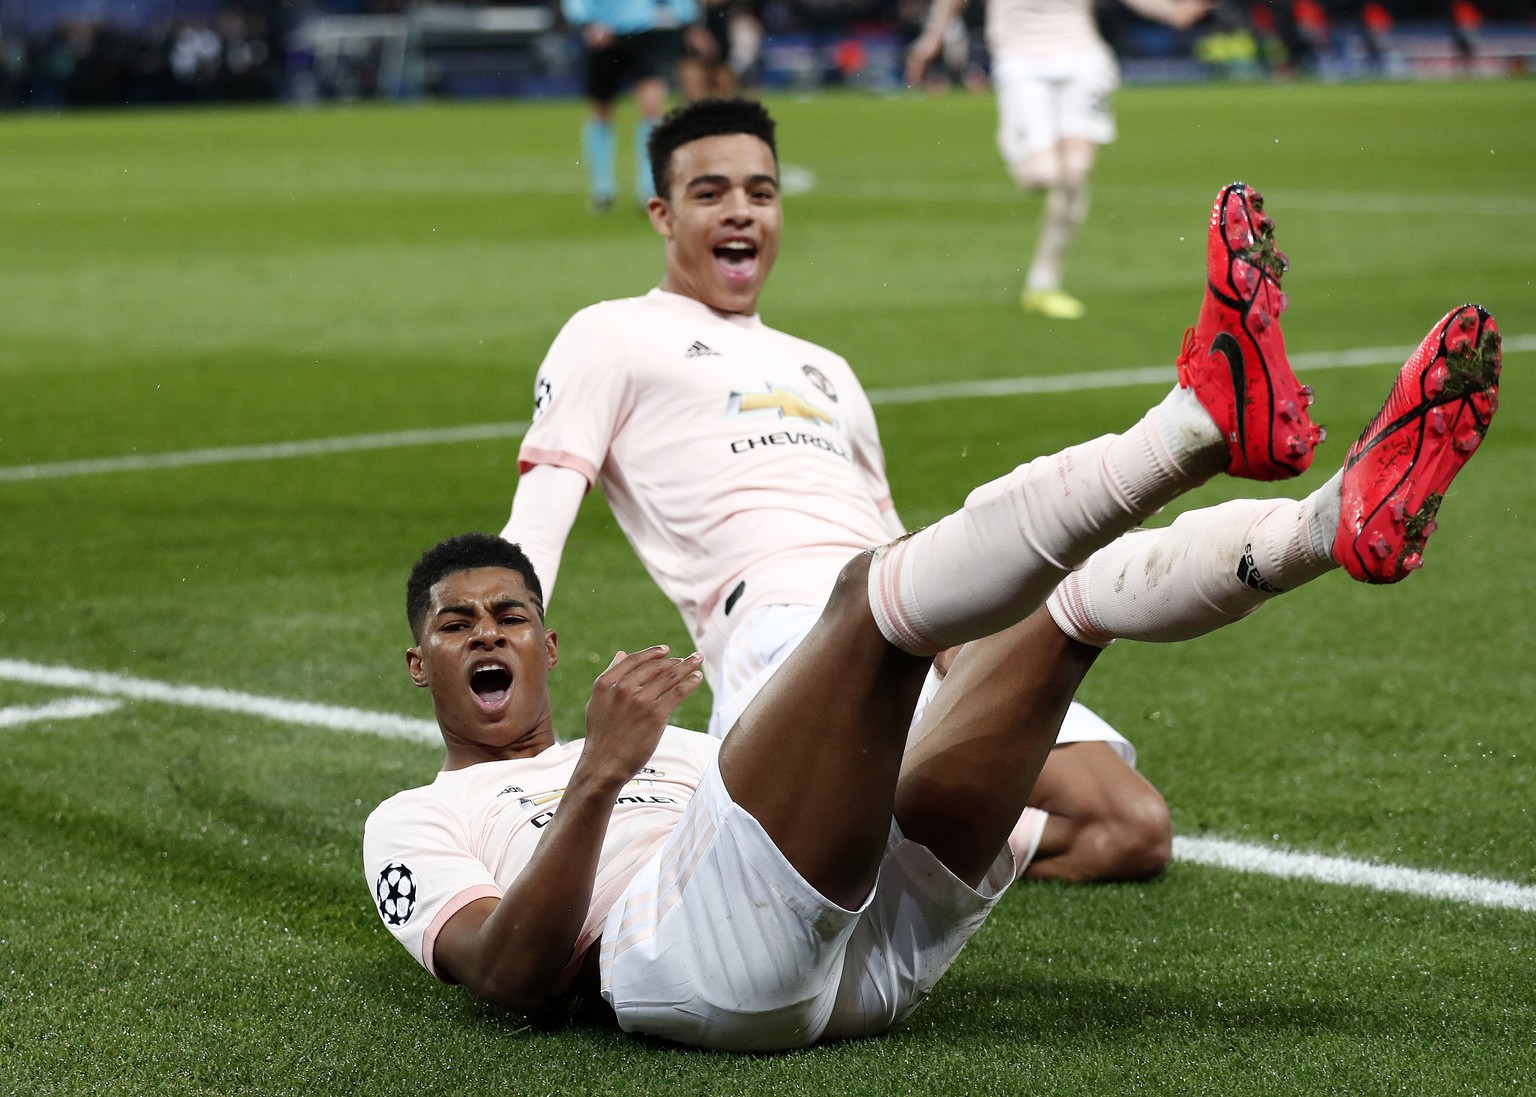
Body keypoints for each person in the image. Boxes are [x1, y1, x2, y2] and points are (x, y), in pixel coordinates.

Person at [365, 278, 1503, 1047]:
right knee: (874, 600)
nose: (489, 635)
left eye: (509, 614)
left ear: (548, 640)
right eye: (457, 626)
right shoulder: (410, 820)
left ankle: (1328, 522)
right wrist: (598, 778)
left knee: (1061, 613)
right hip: (691, 967)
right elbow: (507, 978)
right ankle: (1195, 425)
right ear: (419, 666)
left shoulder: (694, 740)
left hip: (860, 949)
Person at [501, 96, 1186, 885]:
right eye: (711, 192)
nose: (742, 213)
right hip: (788, 631)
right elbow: (541, 519)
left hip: (911, 613)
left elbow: (897, 539)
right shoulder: (610, 332)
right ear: (661, 213)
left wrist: (967, 646)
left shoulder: (826, 368)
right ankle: (858, 823)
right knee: (845, 852)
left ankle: (884, 832)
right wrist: (515, 677)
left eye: (761, 192)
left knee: (1131, 827)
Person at [905, 0, 1213, 320]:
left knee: (1076, 174)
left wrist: (1171, 12)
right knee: (1040, 176)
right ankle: (1022, 146)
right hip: (1019, 59)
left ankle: (1043, 282)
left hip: (1083, 56)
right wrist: (932, 37)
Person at [562, 0, 715, 210]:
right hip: (604, 36)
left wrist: (689, 23)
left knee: (652, 104)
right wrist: (588, 24)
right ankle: (602, 187)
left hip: (644, 33)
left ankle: (648, 187)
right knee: (602, 111)